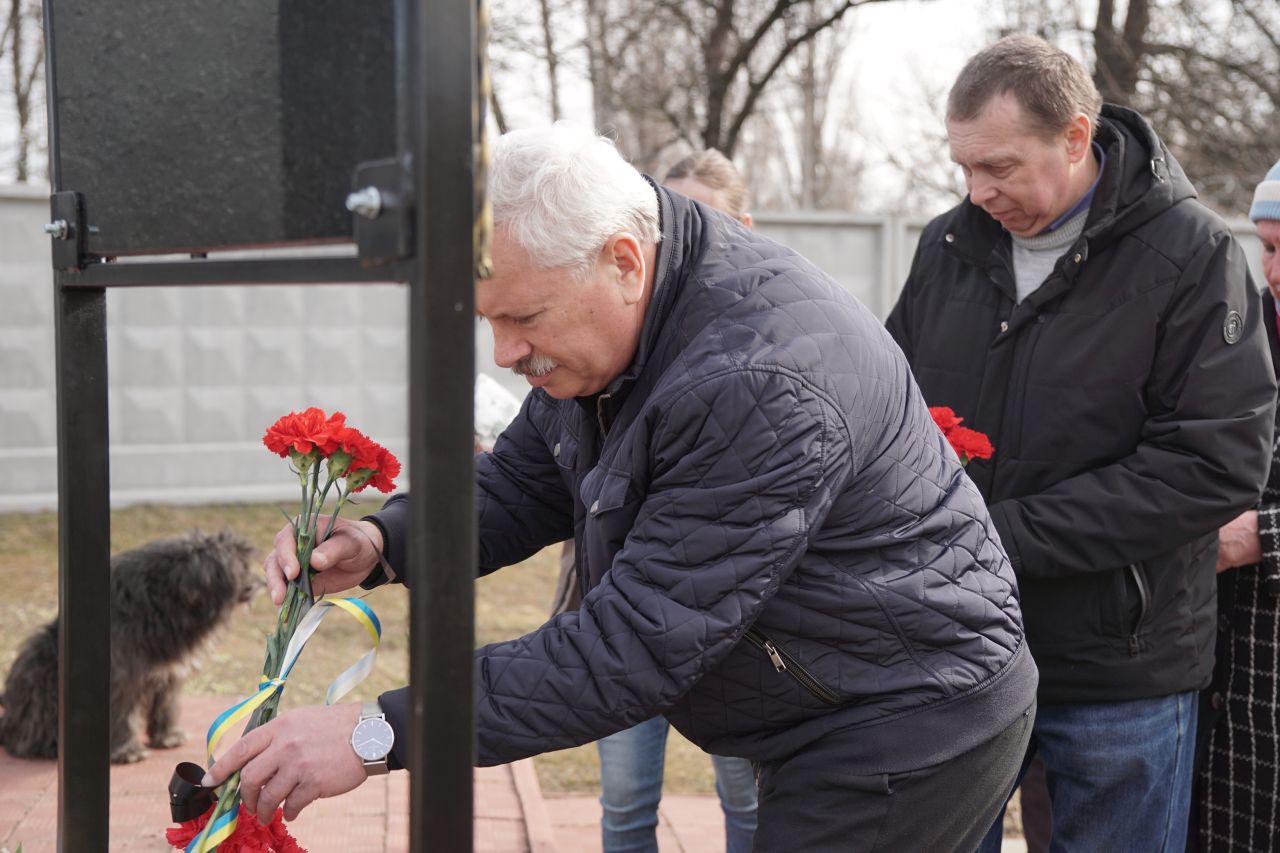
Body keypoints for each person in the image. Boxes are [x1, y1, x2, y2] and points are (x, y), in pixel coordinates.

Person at [207, 122, 1038, 851]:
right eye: (489, 318)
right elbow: (524, 478)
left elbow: (634, 643)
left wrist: (377, 729)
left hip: (906, 717)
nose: (503, 352)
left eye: (523, 318)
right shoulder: (616, 331)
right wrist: (385, 540)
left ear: (625, 262)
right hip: (830, 692)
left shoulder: (755, 380)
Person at [884, 35, 1276, 853]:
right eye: (965, 167)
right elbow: (889, 416)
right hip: (958, 652)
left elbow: (1213, 466)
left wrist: (996, 535)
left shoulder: (1193, 258)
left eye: (999, 166)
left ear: (1074, 137)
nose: (978, 191)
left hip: (1120, 674)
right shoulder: (946, 248)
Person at [586, 147, 759, 853]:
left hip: (735, 627)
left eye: (703, 219)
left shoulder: (763, 348)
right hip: (624, 614)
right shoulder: (618, 340)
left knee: (747, 797)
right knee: (626, 801)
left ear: (743, 227)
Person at [1193, 158, 1280, 851]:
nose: (1274, 271)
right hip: (1228, 681)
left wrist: (1262, 535)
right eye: (1269, 247)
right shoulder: (1240, 336)